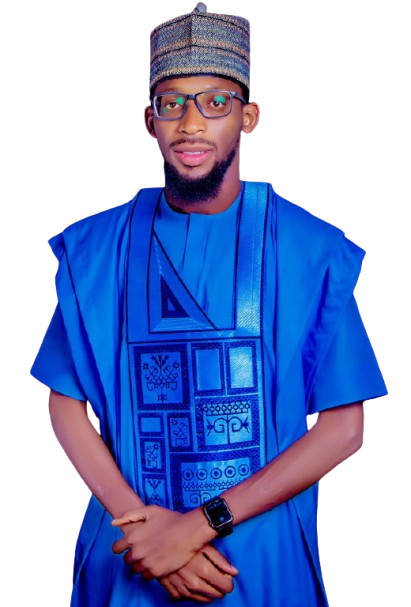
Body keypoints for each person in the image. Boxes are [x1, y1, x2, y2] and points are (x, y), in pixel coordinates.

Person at [31, 3, 388, 606]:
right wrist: (145, 532)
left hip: (260, 561)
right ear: (150, 121)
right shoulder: (97, 247)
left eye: (215, 102)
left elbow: (344, 429)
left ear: (248, 117)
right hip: (128, 554)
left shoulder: (311, 248)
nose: (191, 123)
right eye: (173, 104)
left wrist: (196, 527)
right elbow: (64, 404)